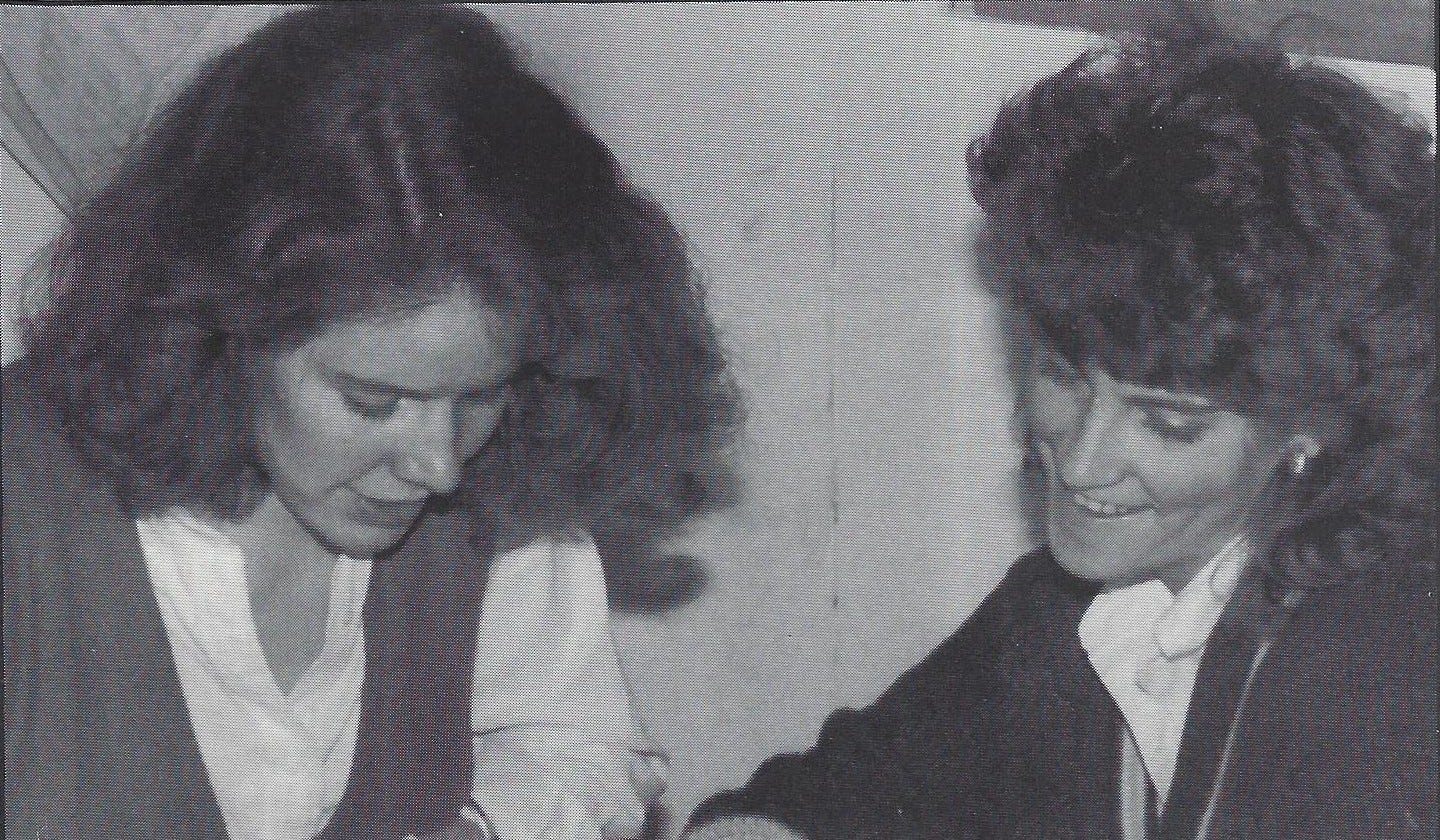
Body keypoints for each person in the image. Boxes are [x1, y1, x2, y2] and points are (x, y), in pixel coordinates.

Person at [3, 5, 739, 840]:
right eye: (371, 402)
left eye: (478, 395)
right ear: (219, 322)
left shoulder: (502, 464)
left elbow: (572, 739)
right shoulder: (25, 515)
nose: (440, 465)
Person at [685, 22, 1435, 840]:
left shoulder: (1382, 675)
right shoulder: (1069, 605)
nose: (1080, 463)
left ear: (1315, 425)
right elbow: (844, 789)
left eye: (1168, 423)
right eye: (1064, 376)